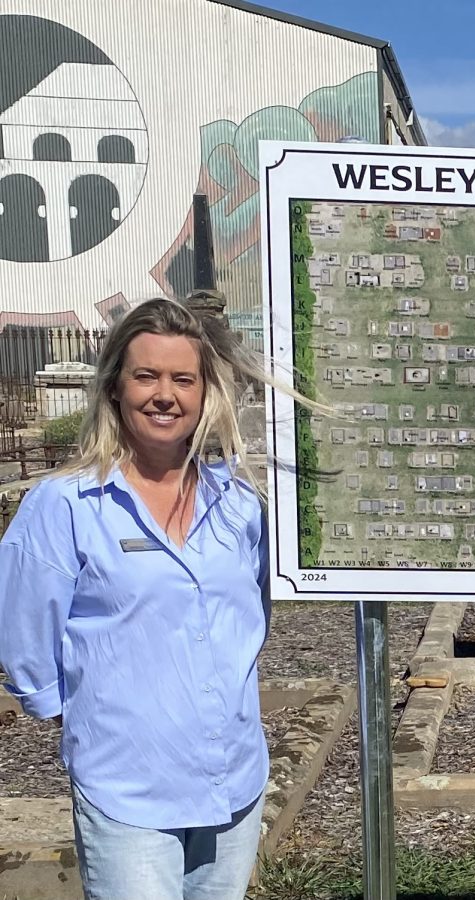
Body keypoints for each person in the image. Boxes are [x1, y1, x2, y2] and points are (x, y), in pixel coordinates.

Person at [0, 297, 274, 900]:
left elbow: (251, 615)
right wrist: (92, 719)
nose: (164, 394)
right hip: (127, 787)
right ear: (115, 387)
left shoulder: (239, 505)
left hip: (233, 779)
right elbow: (26, 639)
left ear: (206, 393)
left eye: (183, 378)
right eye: (146, 375)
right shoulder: (64, 506)